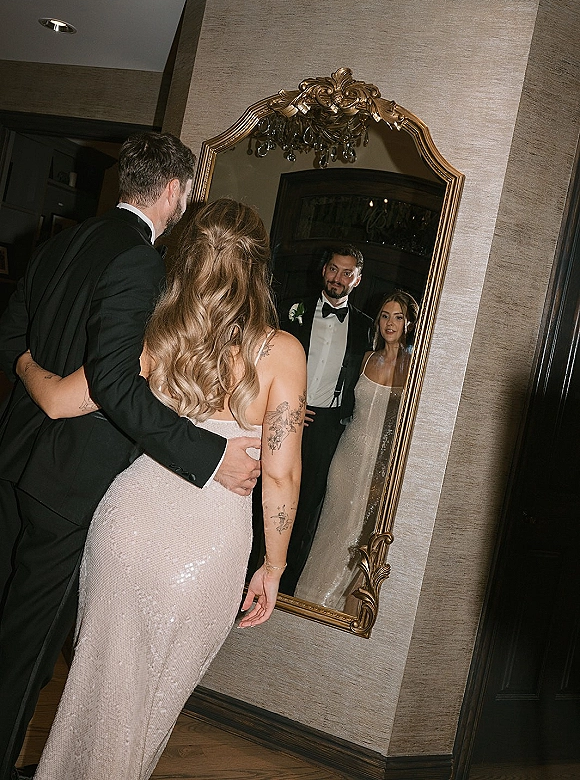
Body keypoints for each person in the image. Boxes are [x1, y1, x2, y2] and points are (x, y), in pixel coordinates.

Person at [14, 198, 306, 779]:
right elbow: (280, 472)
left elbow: (63, 400)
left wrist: (22, 360)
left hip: (127, 524)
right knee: (148, 709)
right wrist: (273, 567)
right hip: (208, 545)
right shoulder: (282, 353)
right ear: (259, 267)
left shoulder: (161, 336)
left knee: (93, 693)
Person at [296, 290, 419, 609]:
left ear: (409, 324)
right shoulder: (365, 358)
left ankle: (339, 605)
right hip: (347, 455)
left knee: (360, 533)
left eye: (398, 317)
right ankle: (309, 599)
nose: (390, 323)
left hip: (383, 463)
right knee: (332, 526)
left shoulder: (416, 368)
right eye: (385, 315)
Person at [277, 246, 373, 595]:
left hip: (330, 426)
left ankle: (286, 585)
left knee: (309, 504)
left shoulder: (366, 326)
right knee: (268, 489)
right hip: (286, 416)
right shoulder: (291, 309)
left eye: (347, 273)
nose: (338, 277)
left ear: (357, 280)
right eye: (334, 269)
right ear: (324, 271)